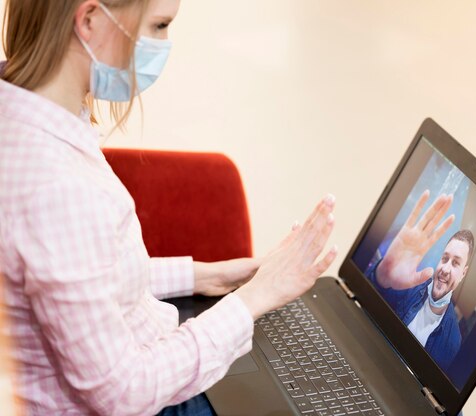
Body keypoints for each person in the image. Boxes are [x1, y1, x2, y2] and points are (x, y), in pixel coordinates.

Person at [0, 1, 338, 414]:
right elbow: (122, 392)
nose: (164, 43)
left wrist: (206, 275)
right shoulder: (53, 185)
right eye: (159, 25)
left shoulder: (30, 112)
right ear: (89, 20)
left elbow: (91, 277)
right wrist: (254, 298)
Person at [368, 190, 474, 370]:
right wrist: (381, 276)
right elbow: (367, 305)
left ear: (463, 273)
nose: (445, 269)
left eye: (455, 263)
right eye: (445, 258)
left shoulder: (453, 342)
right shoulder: (408, 287)